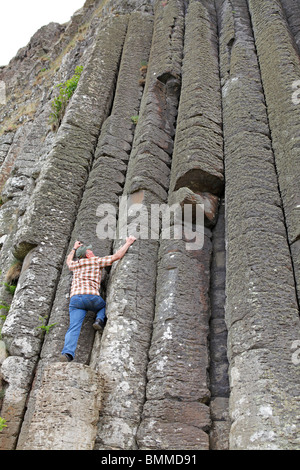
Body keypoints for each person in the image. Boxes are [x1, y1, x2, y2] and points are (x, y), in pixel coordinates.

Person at [60, 236, 136, 362]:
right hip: (91, 297)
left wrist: (74, 248)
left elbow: (68, 261)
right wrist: (128, 243)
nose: (92, 252)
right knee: (102, 305)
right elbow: (117, 256)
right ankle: (99, 320)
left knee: (73, 327)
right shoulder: (96, 261)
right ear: (87, 255)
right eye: (90, 251)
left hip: (75, 300)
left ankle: (67, 354)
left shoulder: (76, 265)